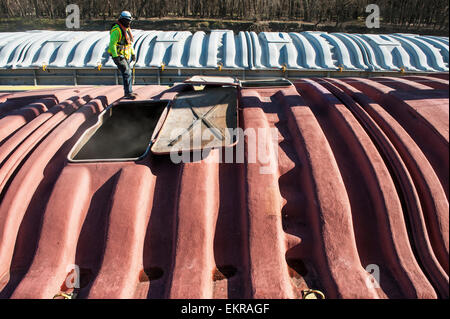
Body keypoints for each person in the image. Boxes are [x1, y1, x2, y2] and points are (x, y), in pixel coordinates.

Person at [108, 11, 137, 99]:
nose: (129, 23)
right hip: (119, 56)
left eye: (129, 21)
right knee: (126, 72)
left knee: (129, 72)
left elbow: (128, 44)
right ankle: (128, 93)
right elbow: (112, 44)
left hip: (126, 56)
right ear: (122, 20)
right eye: (127, 21)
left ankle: (130, 91)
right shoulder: (117, 30)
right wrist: (115, 56)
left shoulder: (126, 30)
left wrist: (133, 53)